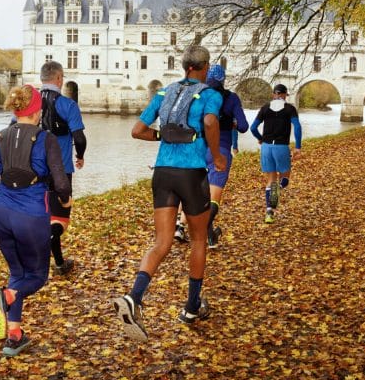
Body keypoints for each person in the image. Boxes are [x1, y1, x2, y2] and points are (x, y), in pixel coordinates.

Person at [112, 45, 226, 341]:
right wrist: (215, 155)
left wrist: (162, 135)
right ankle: (191, 306)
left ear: (184, 66)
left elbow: (137, 130)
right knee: (199, 238)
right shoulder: (211, 94)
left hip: (163, 172)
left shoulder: (164, 93)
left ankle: (134, 298)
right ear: (204, 67)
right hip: (192, 174)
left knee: (161, 242)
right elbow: (211, 122)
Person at [0, 85, 72, 357]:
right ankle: (6, 297)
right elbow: (61, 183)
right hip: (31, 215)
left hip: (0, 212)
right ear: (37, 111)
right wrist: (67, 201)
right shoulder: (45, 139)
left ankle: (14, 336)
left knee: (17, 272)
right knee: (36, 277)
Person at [173, 63, 248, 249]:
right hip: (220, 150)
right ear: (224, 80)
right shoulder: (231, 99)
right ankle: (204, 230)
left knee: (195, 192)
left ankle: (182, 227)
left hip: (197, 148)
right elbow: (244, 127)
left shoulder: (200, 96)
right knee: (213, 197)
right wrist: (233, 122)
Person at [37, 60, 87, 276]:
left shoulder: (30, 103)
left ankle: (58, 262)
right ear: (59, 78)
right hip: (61, 170)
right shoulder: (68, 105)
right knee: (60, 220)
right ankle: (57, 262)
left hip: (35, 170)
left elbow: (14, 128)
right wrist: (80, 155)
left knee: (41, 215)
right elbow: (79, 137)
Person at [250, 83, 302, 224]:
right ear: (285, 94)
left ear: (274, 94)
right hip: (281, 147)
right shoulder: (290, 108)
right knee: (284, 179)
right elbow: (297, 126)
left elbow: (253, 128)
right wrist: (298, 147)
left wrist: (260, 139)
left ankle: (269, 212)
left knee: (271, 179)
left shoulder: (265, 108)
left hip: (266, 147)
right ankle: (276, 190)